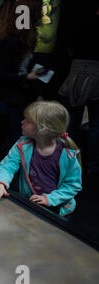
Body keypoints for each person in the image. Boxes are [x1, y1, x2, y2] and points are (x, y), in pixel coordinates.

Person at [0, 101, 82, 217]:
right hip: (30, 204)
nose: (22, 122)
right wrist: (0, 184)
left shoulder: (68, 155)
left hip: (58, 211)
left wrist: (49, 199)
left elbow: (72, 185)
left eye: (27, 121)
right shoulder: (22, 145)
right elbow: (8, 166)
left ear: (43, 130)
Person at [0, 0, 44, 168]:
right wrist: (27, 78)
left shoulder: (26, 41)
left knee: (13, 145)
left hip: (18, 102)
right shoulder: (11, 41)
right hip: (6, 102)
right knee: (1, 144)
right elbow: (0, 73)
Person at [58, 3, 99, 184]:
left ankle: (66, 163)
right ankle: (92, 169)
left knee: (69, 123)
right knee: (96, 126)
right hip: (97, 69)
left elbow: (66, 43)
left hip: (76, 67)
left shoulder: (77, 15)